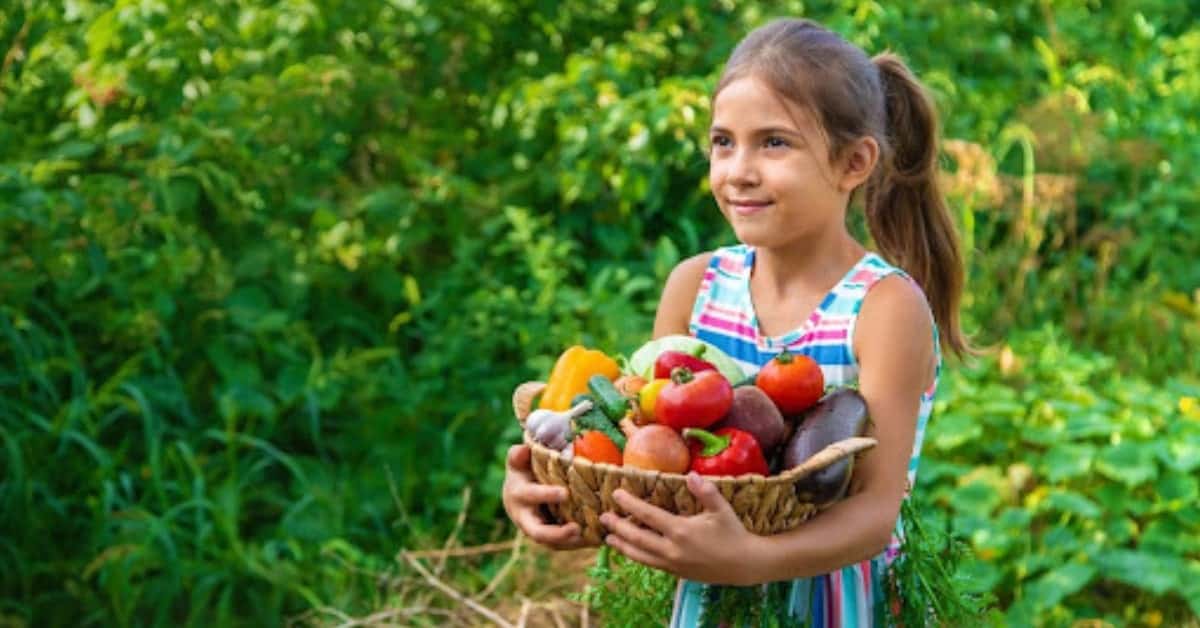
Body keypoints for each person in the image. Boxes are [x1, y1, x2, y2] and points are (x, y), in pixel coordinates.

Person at [502, 17, 970, 626]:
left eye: (774, 142)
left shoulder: (882, 306)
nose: (737, 170)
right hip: (710, 606)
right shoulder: (695, 287)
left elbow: (874, 515)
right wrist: (560, 498)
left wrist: (752, 559)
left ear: (853, 162)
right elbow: (648, 460)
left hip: (838, 606)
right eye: (724, 142)